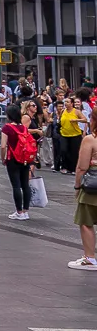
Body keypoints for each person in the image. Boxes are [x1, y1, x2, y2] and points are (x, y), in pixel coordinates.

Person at [0, 100, 38, 221]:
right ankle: (26, 211)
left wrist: (3, 158)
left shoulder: (7, 128)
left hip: (13, 159)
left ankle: (19, 211)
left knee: (16, 186)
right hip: (25, 158)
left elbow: (3, 146)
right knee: (25, 184)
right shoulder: (23, 127)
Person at [70, 115, 97, 268]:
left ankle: (90, 257)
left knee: (86, 222)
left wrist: (77, 186)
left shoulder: (90, 139)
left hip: (92, 187)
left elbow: (82, 167)